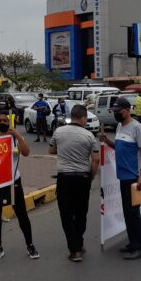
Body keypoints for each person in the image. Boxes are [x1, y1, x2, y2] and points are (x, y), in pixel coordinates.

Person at [0, 112, 39, 261]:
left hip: (13, 182)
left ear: (9, 122)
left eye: (5, 120)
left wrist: (17, 135)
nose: (2, 122)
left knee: (21, 214)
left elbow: (26, 153)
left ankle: (30, 244)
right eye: (0, 120)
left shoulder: (15, 138)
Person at [49, 104, 100, 262]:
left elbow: (51, 150)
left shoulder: (59, 131)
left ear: (72, 116)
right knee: (80, 213)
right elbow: (96, 159)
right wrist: (91, 176)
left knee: (66, 215)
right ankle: (78, 242)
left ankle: (75, 249)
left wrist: (64, 149)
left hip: (64, 178)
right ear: (83, 118)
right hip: (82, 178)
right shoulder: (89, 136)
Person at [100, 98, 141, 260]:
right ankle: (132, 243)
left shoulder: (137, 127)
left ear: (127, 110)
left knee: (134, 212)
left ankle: (140, 248)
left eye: (118, 111)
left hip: (134, 177)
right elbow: (119, 147)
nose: (116, 114)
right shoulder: (120, 126)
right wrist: (107, 141)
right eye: (114, 111)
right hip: (122, 177)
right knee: (127, 212)